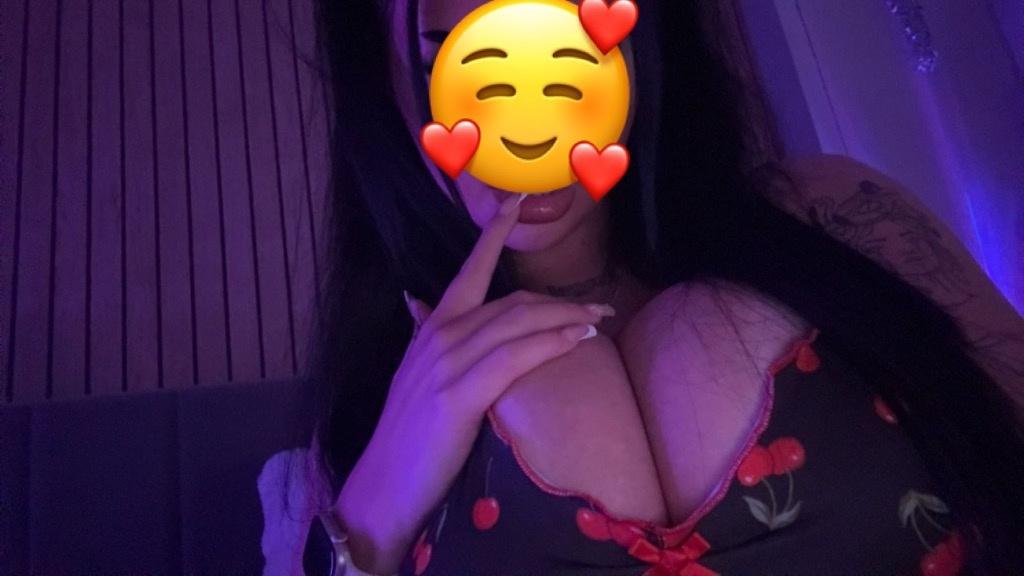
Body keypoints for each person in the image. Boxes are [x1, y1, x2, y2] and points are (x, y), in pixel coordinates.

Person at [264, 1, 1024, 574]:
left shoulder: (833, 211)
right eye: (456, 70)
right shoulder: (370, 408)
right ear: (390, 89)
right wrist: (376, 504)